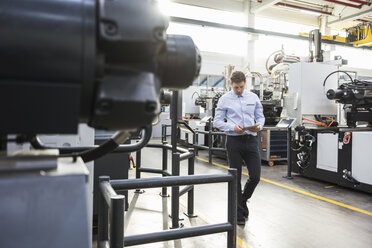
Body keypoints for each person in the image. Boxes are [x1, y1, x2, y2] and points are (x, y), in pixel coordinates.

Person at [214, 71, 265, 225]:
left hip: (251, 141)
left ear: (245, 83)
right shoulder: (224, 99)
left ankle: (242, 201)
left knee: (255, 176)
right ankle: (238, 212)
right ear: (231, 84)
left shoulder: (253, 97)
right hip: (234, 141)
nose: (239, 90)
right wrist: (232, 127)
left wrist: (259, 126)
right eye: (236, 87)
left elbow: (260, 116)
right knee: (235, 177)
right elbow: (217, 121)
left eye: (241, 87)